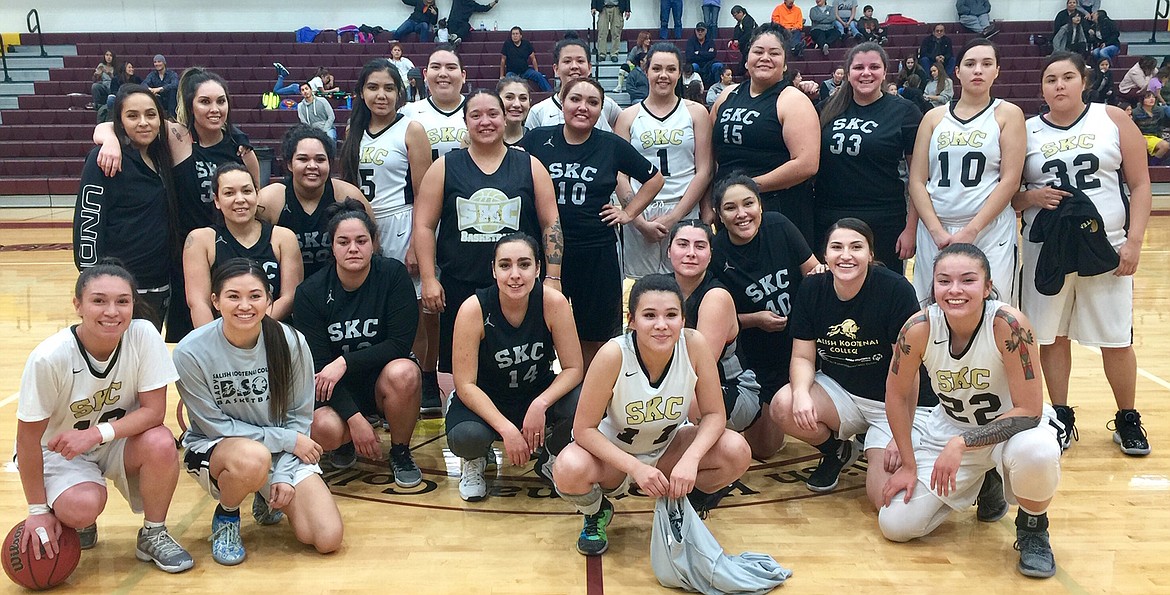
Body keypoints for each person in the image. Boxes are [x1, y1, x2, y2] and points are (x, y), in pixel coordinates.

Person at [879, 243, 1062, 578]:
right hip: (948, 427)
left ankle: (1033, 529)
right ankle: (985, 483)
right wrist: (907, 463)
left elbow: (1030, 410)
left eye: (967, 280)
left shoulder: (1009, 325)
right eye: (944, 281)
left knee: (1038, 452)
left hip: (1012, 431)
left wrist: (962, 443)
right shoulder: (918, 328)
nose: (955, 290)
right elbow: (895, 394)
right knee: (895, 525)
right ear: (932, 286)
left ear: (987, 286)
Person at [1014, 51, 1152, 457]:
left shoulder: (1113, 119)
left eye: (1068, 77)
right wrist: (1031, 196)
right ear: (1041, 87)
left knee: (1115, 339)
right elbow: (1010, 196)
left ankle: (1127, 417)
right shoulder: (1026, 130)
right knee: (1052, 337)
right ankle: (1060, 416)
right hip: (1049, 249)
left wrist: (1134, 242)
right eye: (1051, 78)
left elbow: (1141, 185)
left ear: (1083, 81)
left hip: (1105, 247)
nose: (1059, 85)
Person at [552, 274, 751, 556]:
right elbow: (584, 429)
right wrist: (635, 468)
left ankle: (683, 505)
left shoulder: (694, 345)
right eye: (649, 315)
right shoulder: (613, 354)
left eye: (671, 315)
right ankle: (596, 512)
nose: (661, 325)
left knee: (736, 450)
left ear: (683, 320)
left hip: (666, 448)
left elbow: (715, 415)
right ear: (631, 320)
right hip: (615, 458)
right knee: (568, 467)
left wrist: (690, 460)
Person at [16, 261, 194, 573]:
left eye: (122, 301)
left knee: (161, 442)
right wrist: (37, 510)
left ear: (133, 305)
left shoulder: (143, 335)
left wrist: (96, 434)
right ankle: (72, 514)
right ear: (78, 306)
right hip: (60, 452)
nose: (112, 311)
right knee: (81, 507)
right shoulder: (49, 357)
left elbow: (154, 412)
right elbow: (28, 440)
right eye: (99, 300)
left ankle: (153, 533)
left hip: (113, 441)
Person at [175, 258, 342, 566]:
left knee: (326, 537)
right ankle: (227, 516)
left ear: (269, 300)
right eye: (233, 296)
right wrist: (286, 441)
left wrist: (284, 474)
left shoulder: (290, 341)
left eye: (254, 296)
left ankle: (264, 493)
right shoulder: (190, 351)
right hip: (218, 448)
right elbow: (215, 425)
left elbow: (300, 420)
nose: (245, 306)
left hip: (280, 452)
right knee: (253, 458)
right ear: (215, 300)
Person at [414, 90, 564, 399]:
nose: (485, 122)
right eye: (476, 115)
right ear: (465, 121)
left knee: (524, 363)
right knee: (465, 367)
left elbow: (552, 224)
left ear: (505, 116)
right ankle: (472, 431)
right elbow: (425, 225)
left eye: (493, 114)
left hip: (518, 286)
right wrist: (429, 278)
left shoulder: (529, 165)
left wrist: (552, 276)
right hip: (461, 282)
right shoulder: (444, 166)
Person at [773, 219, 935, 502]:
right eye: (837, 247)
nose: (846, 255)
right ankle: (837, 450)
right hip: (843, 394)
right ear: (825, 255)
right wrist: (800, 393)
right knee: (784, 405)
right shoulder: (812, 289)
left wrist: (902, 436)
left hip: (893, 402)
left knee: (884, 501)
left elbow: (910, 375)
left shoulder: (895, 291)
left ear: (870, 254)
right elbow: (802, 355)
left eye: (856, 247)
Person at [94, 68, 260, 341]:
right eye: (205, 102)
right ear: (191, 105)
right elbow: (111, 125)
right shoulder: (178, 137)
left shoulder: (241, 149)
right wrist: (111, 140)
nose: (214, 109)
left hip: (230, 257)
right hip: (187, 259)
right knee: (194, 341)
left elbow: (257, 203)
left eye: (221, 101)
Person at [521, 79, 664, 368]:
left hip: (597, 250)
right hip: (546, 251)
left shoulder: (611, 145)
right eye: (575, 99)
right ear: (562, 102)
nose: (583, 107)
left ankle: (592, 396)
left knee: (596, 333)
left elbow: (654, 179)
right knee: (540, 326)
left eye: (592, 102)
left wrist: (628, 213)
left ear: (601, 109)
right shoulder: (538, 139)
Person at [293, 202, 423, 484]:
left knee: (405, 371)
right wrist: (354, 418)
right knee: (322, 428)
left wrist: (344, 362)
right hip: (333, 389)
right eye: (344, 241)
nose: (353, 248)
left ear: (374, 243)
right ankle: (344, 442)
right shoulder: (309, 293)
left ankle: (400, 451)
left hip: (381, 382)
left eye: (361, 240)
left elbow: (399, 344)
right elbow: (317, 366)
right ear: (333, 247)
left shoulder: (393, 275)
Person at [448, 233, 585, 501]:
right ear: (493, 270)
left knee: (585, 400)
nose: (515, 274)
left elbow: (574, 368)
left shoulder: (553, 303)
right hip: (488, 398)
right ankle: (475, 460)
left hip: (535, 392)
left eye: (524, 264)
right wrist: (507, 429)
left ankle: (550, 457)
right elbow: (465, 384)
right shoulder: (473, 309)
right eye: (505, 265)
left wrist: (540, 404)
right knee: (466, 436)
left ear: (537, 268)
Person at [711, 175, 820, 458]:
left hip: (799, 344)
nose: (742, 214)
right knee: (764, 450)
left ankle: (838, 443)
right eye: (730, 208)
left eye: (748, 204)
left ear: (760, 206)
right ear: (720, 216)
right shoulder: (716, 252)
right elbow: (719, 317)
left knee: (805, 410)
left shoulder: (779, 225)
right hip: (755, 355)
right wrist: (755, 319)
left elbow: (813, 271)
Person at [911, 39, 1025, 305]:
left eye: (987, 64)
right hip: (936, 229)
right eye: (970, 64)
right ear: (957, 71)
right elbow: (917, 181)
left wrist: (973, 229)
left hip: (989, 228)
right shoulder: (934, 118)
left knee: (994, 309)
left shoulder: (1008, 114)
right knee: (932, 308)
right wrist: (935, 230)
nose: (978, 70)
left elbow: (1010, 180)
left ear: (997, 71)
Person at [398, 48, 469, 413]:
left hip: (463, 217)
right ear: (424, 74)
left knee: (456, 300)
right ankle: (426, 375)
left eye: (451, 67)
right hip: (422, 214)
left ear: (464, 74)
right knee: (425, 302)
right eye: (436, 67)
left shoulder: (476, 111)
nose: (444, 73)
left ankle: (462, 376)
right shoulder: (410, 115)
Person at [74, 85, 178, 330]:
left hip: (160, 284)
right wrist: (95, 283)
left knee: (144, 359)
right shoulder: (104, 158)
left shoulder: (163, 156)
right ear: (119, 120)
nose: (143, 123)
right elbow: (88, 225)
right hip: (118, 290)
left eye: (150, 115)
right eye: (132, 116)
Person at [814, 42, 922, 276]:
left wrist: (911, 228)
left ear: (885, 72)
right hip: (829, 217)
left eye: (874, 67)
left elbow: (919, 177)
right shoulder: (825, 108)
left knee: (882, 291)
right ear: (848, 72)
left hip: (884, 219)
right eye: (858, 67)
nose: (866, 73)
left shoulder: (905, 111)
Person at [712, 23, 821, 246]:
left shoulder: (793, 100)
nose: (765, 58)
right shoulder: (727, 95)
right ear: (747, 58)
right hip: (732, 211)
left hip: (778, 210)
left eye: (774, 53)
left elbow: (807, 164)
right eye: (758, 51)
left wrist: (746, 189)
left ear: (784, 64)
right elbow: (711, 153)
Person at [615, 44, 713, 280]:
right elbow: (619, 176)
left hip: (684, 206)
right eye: (656, 68)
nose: (663, 75)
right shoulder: (628, 116)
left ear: (679, 73)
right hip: (641, 212)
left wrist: (675, 217)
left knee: (686, 280)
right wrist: (637, 220)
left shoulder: (697, 113)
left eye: (671, 69)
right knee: (640, 285)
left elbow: (705, 170)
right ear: (645, 70)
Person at [669, 221, 762, 434]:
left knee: (686, 399)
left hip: (733, 388)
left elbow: (699, 369)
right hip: (678, 383)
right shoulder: (657, 289)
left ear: (710, 255)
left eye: (700, 246)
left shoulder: (716, 297)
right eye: (683, 244)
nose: (691, 253)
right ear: (668, 251)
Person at [183, 164, 302, 328]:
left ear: (257, 195)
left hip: (271, 331)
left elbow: (289, 297)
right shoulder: (200, 240)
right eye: (229, 193)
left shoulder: (283, 238)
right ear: (217, 200)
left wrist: (251, 326)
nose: (240, 199)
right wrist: (214, 342)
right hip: (220, 336)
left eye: (246, 191)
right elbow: (198, 303)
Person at [258, 125, 372, 280]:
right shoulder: (270, 200)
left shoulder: (348, 194)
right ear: (289, 164)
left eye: (320, 159)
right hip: (287, 290)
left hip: (339, 287)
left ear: (330, 163)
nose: (312, 166)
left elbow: (373, 240)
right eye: (303, 159)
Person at [526, 38, 623, 131]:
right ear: (556, 69)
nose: (574, 66)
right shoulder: (539, 112)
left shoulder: (607, 105)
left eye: (580, 61)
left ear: (589, 68)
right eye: (567, 61)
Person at [500, 26, 552, 92]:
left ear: (520, 35)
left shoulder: (526, 44)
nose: (515, 36)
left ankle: (550, 93)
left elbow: (533, 59)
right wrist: (501, 76)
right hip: (511, 72)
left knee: (538, 75)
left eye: (516, 34)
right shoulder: (507, 44)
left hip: (525, 71)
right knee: (507, 81)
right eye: (513, 34)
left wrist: (536, 71)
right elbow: (503, 60)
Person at [497, 75, 533, 146]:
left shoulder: (535, 141)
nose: (517, 104)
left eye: (523, 98)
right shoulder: (485, 140)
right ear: (497, 101)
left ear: (529, 103)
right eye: (509, 97)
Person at [1133, 92, 1169, 159]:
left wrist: (1160, 135)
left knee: (1165, 145)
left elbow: (1161, 124)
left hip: (1156, 135)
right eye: (1148, 97)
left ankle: (1154, 164)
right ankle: (1152, 165)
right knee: (1164, 145)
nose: (1151, 99)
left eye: (1153, 97)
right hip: (1143, 136)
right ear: (1142, 100)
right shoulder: (1136, 112)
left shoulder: (1159, 110)